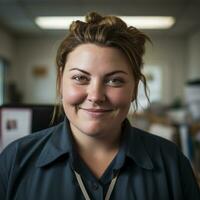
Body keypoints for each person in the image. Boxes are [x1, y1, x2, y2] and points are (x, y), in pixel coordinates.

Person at [0, 12, 199, 200]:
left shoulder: (172, 163)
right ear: (61, 81)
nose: (95, 96)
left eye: (115, 81)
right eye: (80, 78)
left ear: (134, 87)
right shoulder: (15, 160)